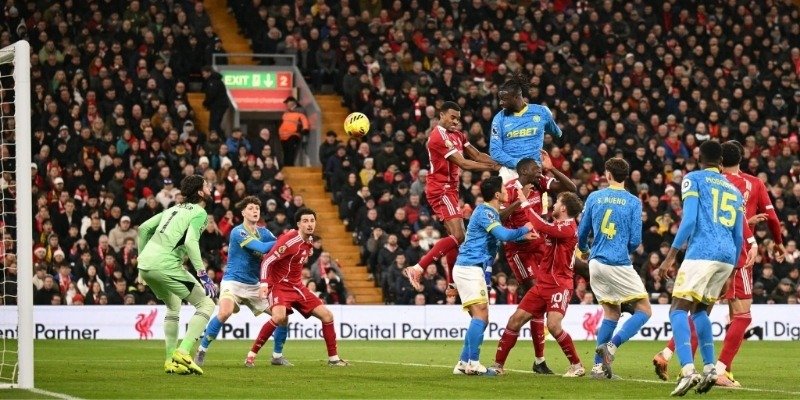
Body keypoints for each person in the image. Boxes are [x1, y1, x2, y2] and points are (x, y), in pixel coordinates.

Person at [652, 141, 771, 387]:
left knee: (678, 310)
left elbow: (688, 221)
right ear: (721, 161)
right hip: (727, 257)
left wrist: (670, 257)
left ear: (699, 158)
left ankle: (687, 370)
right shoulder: (734, 191)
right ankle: (709, 369)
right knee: (701, 311)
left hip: (702, 253)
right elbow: (738, 235)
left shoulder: (693, 179)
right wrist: (732, 272)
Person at [403, 101, 499, 289]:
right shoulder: (437, 137)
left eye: (458, 119)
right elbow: (464, 163)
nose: (455, 121)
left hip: (451, 190)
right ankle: (418, 268)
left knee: (455, 240)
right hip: (441, 189)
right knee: (459, 235)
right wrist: (494, 167)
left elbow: (477, 155)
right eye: (452, 117)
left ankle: (451, 285)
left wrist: (500, 162)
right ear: (441, 115)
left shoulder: (458, 135)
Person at [491, 191, 585, 377]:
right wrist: (521, 237)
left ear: (563, 208)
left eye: (556, 202)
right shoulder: (557, 226)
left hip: (559, 284)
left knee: (554, 325)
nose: (553, 205)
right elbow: (543, 232)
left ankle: (576, 365)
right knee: (515, 320)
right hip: (542, 284)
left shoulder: (568, 228)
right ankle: (497, 366)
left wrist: (524, 203)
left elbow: (541, 225)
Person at [500, 153, 576, 374]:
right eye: (536, 168)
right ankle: (539, 359)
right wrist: (519, 202)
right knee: (536, 295)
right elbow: (498, 217)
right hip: (519, 250)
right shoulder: (509, 188)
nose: (539, 170)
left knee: (541, 299)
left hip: (541, 244)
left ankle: (539, 360)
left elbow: (570, 188)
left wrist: (553, 169)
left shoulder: (540, 182)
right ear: (524, 171)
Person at [576, 158, 651, 380]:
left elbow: (582, 232)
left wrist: (585, 249)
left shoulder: (594, 197)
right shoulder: (633, 202)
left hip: (596, 263)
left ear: (608, 175)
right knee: (645, 311)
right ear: (626, 176)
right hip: (617, 262)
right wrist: (621, 248)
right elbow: (635, 241)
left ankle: (598, 368)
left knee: (612, 312)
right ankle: (611, 346)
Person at [195, 196, 291, 367]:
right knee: (225, 312)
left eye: (257, 208)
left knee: (282, 316)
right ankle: (201, 350)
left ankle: (277, 356)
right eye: (251, 208)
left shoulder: (264, 233)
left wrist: (288, 244)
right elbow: (263, 248)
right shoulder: (237, 231)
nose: (255, 211)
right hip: (233, 282)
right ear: (243, 213)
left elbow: (279, 248)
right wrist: (286, 239)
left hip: (254, 285)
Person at [451, 176, 533, 375]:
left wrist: (522, 236)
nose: (506, 191)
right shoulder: (485, 212)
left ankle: (463, 363)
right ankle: (473, 364)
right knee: (481, 315)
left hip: (471, 268)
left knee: (480, 317)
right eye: (504, 189)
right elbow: (504, 235)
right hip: (470, 267)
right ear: (497, 194)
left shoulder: (490, 212)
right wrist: (527, 227)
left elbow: (500, 237)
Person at [246, 208, 348, 366]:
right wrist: (264, 283)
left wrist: (308, 252)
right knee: (279, 317)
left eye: (312, 221)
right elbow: (267, 261)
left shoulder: (309, 240)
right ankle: (251, 355)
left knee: (327, 316)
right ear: (299, 224)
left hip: (297, 286)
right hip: (279, 285)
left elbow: (302, 253)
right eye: (305, 221)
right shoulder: (289, 240)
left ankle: (333, 359)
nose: (309, 224)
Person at [137, 175, 217, 375]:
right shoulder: (200, 212)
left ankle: (170, 361)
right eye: (206, 186)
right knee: (206, 304)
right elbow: (190, 242)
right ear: (200, 192)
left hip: (146, 265)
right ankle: (183, 351)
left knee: (173, 305)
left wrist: (140, 262)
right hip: (166, 265)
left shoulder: (172, 209)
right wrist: (203, 274)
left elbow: (143, 229)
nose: (210, 188)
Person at [490, 73, 562, 183]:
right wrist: (519, 163)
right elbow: (495, 151)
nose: (501, 103)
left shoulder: (541, 112)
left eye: (504, 99)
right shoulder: (499, 118)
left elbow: (557, 133)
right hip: (510, 172)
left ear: (516, 97)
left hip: (534, 171)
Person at [278, 96, 310, 166]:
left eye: (288, 102)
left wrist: (305, 128)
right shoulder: (286, 112)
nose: (287, 104)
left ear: (293, 102)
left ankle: (289, 166)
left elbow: (304, 120)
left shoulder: (300, 111)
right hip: (283, 136)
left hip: (293, 135)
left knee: (291, 151)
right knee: (286, 152)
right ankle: (286, 166)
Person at [201, 66, 230, 134]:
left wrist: (205, 103)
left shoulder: (213, 82)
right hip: (218, 105)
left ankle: (219, 138)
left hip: (218, 106)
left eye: (204, 74)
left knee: (214, 126)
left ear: (209, 73)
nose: (203, 76)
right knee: (215, 125)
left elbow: (212, 94)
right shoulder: (216, 80)